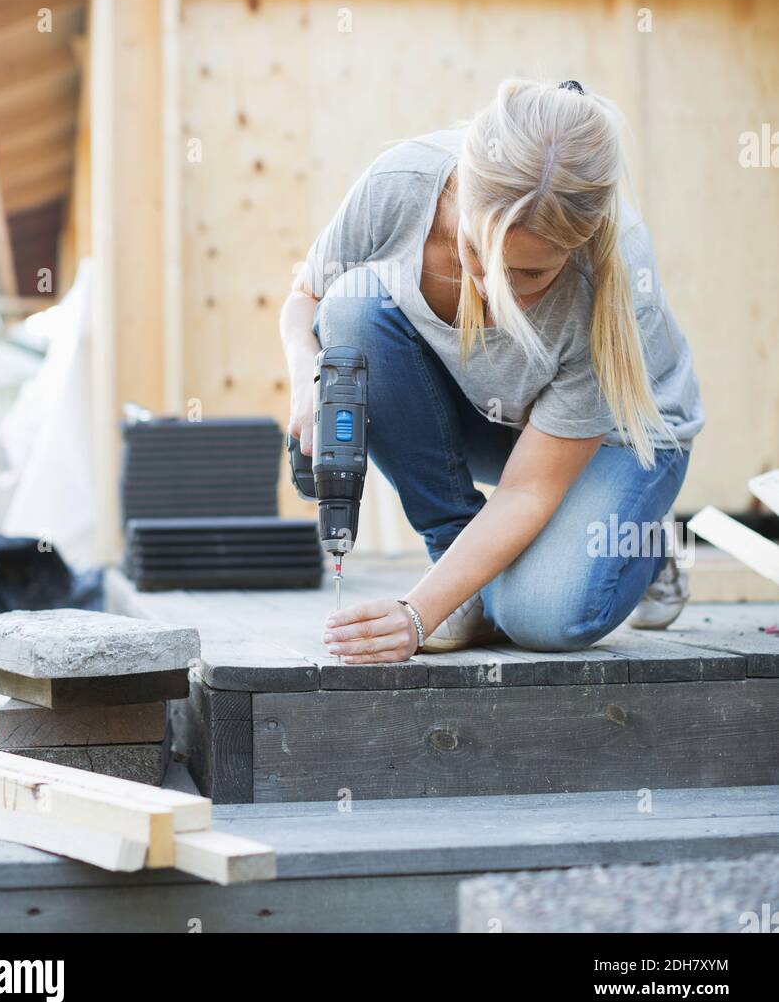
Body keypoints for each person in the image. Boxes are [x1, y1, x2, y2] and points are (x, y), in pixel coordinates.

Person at [280, 78, 704, 664]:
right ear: (461, 193)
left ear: (577, 245)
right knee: (348, 307)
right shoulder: (401, 185)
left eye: (529, 275)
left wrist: (414, 616)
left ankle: (640, 542)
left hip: (618, 439)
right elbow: (305, 298)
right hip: (496, 412)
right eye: (476, 253)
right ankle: (462, 567)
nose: (493, 289)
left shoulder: (614, 282)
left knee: (542, 617)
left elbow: (530, 488)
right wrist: (307, 376)